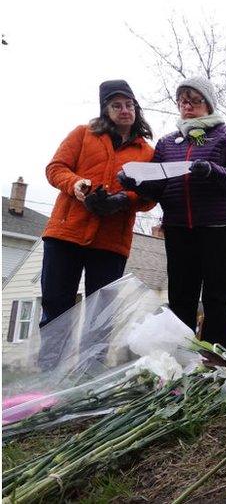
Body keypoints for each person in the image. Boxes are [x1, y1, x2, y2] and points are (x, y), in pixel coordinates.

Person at [120, 77, 226, 350]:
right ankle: (180, 358)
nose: (187, 106)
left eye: (194, 100)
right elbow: (158, 186)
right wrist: (136, 181)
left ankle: (217, 360)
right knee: (181, 296)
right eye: (182, 101)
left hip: (222, 228)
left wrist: (212, 170)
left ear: (208, 104)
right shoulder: (168, 143)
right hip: (180, 228)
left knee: (217, 296)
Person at [39, 80, 156, 366]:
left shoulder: (146, 152)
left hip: (110, 242)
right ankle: (48, 374)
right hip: (66, 233)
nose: (124, 110)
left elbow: (150, 196)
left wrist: (124, 199)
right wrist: (78, 185)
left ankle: (88, 378)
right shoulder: (83, 134)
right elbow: (55, 169)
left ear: (136, 109)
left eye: (129, 105)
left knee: (101, 314)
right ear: (105, 110)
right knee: (56, 305)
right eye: (116, 105)